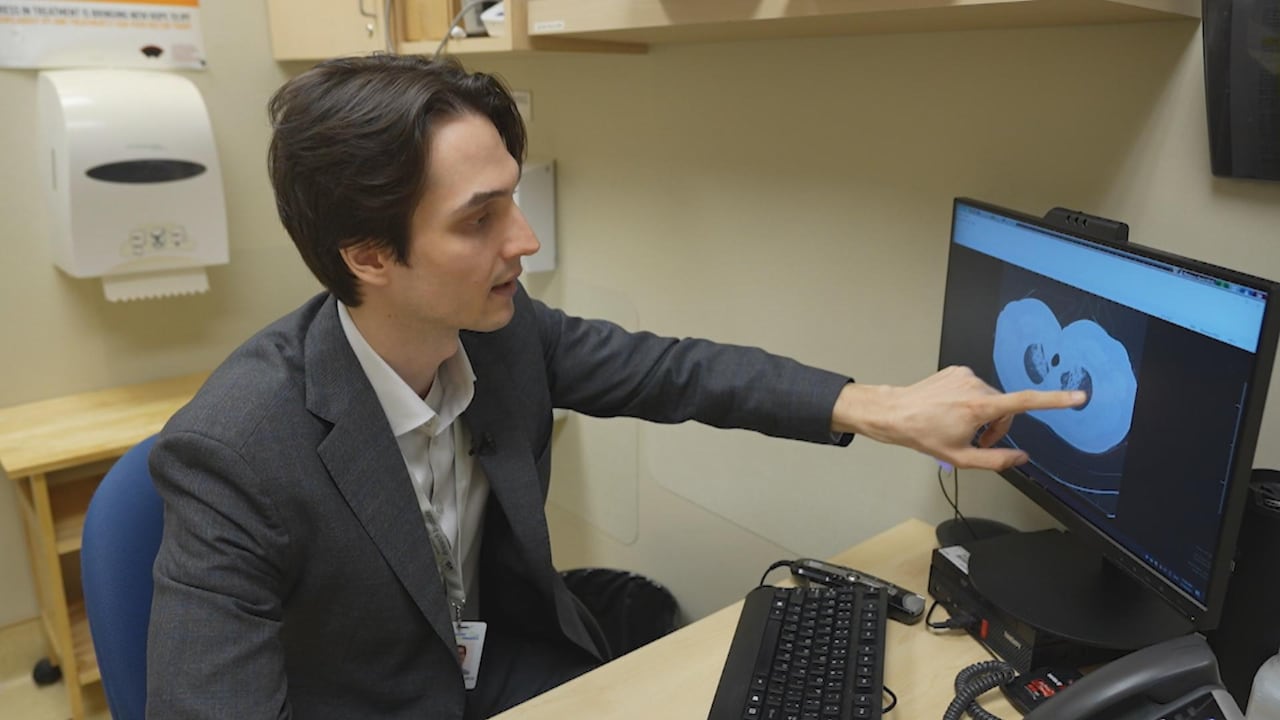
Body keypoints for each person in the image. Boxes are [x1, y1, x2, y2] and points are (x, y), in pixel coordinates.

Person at [145, 53, 1083, 720]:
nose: (524, 241)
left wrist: (884, 407)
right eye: (479, 219)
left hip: (500, 670)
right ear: (368, 256)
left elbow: (677, 372)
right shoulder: (234, 454)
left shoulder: (505, 337)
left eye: (513, 198)